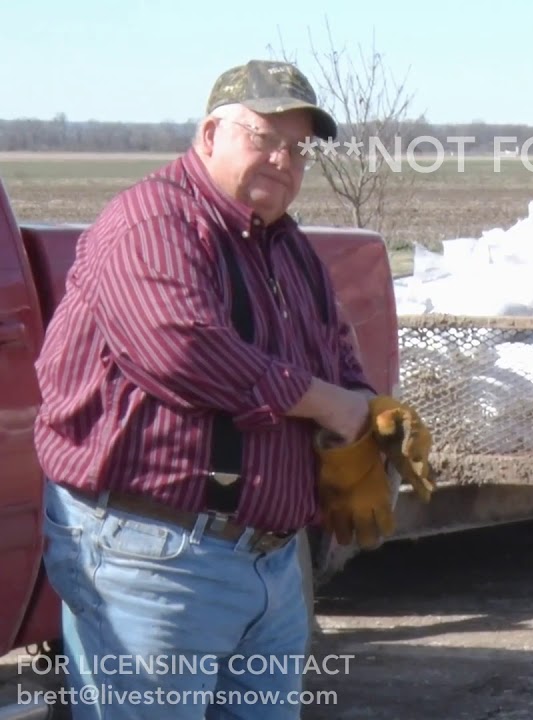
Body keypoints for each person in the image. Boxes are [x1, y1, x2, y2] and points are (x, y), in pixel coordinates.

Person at [33, 59, 410, 719]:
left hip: (269, 564)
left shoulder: (289, 251)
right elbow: (185, 352)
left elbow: (337, 353)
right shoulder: (151, 224)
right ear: (211, 133)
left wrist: (364, 420)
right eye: (263, 137)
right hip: (154, 558)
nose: (282, 159)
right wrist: (327, 403)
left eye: (296, 148)